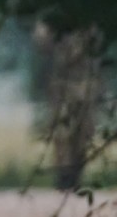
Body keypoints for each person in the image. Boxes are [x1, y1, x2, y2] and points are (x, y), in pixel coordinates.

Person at [34, 22, 102, 191]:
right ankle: (64, 176)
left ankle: (77, 173)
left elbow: (97, 44)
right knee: (61, 133)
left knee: (84, 133)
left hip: (85, 83)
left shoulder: (89, 19)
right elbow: (40, 43)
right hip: (62, 84)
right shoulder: (54, 18)